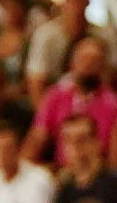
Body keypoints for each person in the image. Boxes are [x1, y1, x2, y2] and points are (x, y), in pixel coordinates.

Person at [27, 35, 117, 167]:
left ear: (103, 66)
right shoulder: (56, 96)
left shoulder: (112, 104)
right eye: (84, 59)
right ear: (72, 63)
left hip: (99, 171)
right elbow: (38, 139)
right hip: (62, 170)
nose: (88, 65)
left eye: (94, 60)